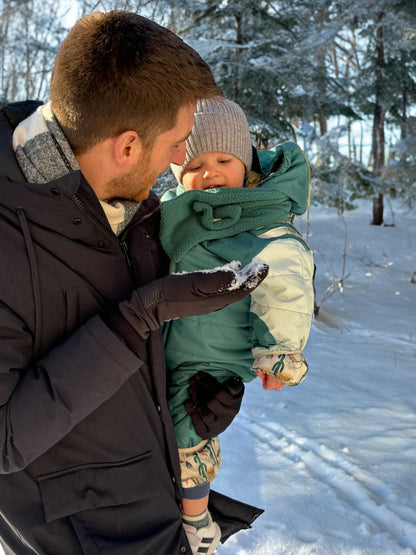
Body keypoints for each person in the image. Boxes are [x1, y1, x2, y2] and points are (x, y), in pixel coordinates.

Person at [0, 12, 269, 555]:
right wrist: (133, 320)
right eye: (176, 142)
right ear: (126, 146)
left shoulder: (139, 211)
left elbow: (130, 372)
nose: (180, 160)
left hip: (161, 513)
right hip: (85, 536)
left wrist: (193, 397)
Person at [160, 97, 315, 554]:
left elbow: (284, 278)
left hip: (212, 358)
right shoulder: (173, 212)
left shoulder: (259, 218)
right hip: (165, 346)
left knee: (187, 431)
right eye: (195, 163)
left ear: (245, 165)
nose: (209, 173)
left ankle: (197, 524)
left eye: (223, 161)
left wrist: (279, 352)